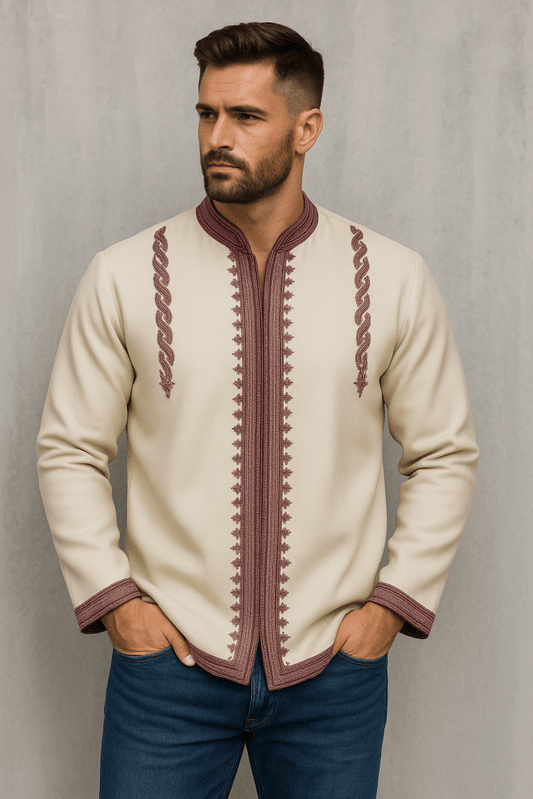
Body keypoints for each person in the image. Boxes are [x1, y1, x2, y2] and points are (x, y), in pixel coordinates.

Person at [37, 21, 479, 799]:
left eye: (245, 116)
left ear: (306, 128)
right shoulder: (124, 274)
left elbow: (443, 451)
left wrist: (388, 607)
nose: (217, 136)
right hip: (168, 670)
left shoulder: (392, 276)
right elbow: (69, 448)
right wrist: (119, 604)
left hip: (332, 673)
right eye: (206, 113)